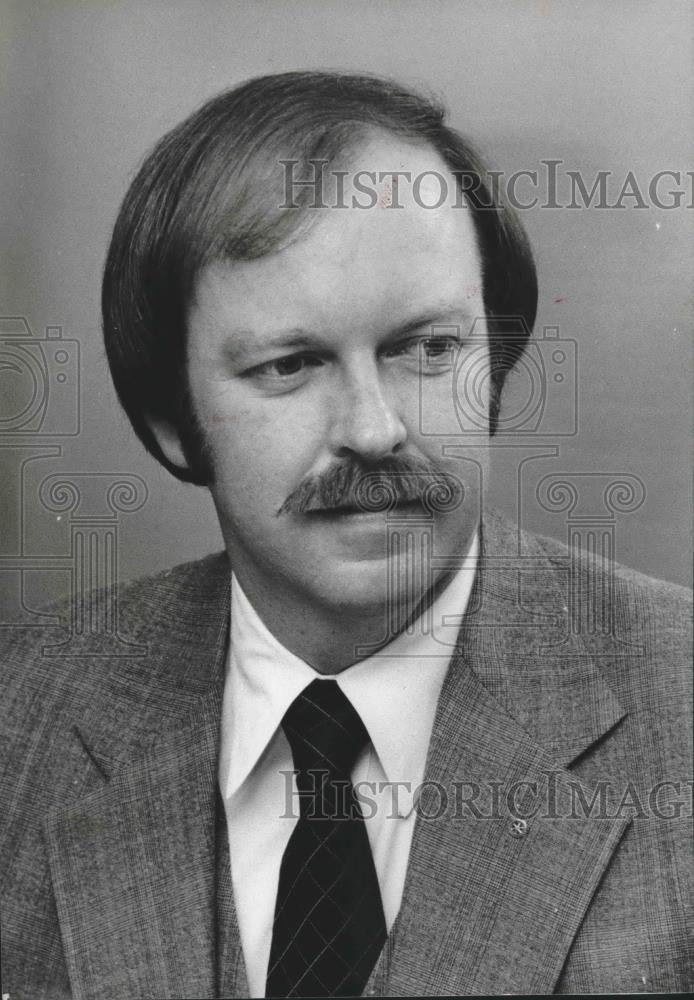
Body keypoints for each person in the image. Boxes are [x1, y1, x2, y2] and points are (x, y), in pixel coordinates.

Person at [1, 71, 691, 999]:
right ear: (172, 416)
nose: (374, 429)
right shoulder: (21, 712)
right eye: (291, 365)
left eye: (429, 348)